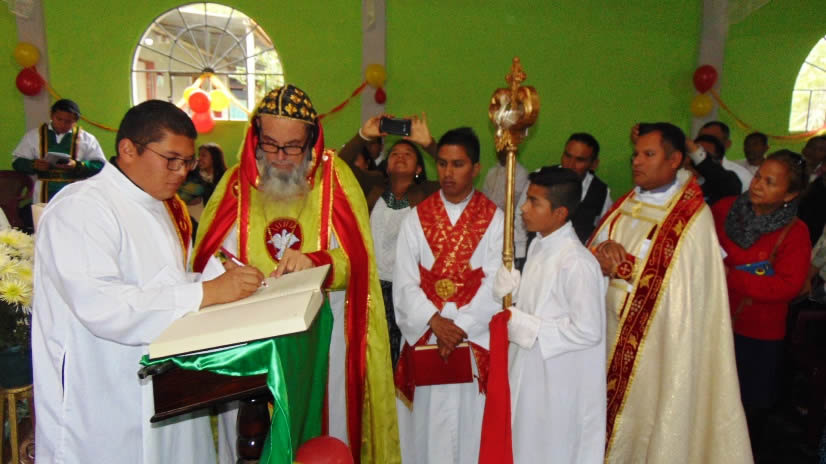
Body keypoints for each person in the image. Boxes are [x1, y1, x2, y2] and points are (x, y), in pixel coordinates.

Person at [31, 100, 264, 463]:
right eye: (171, 159)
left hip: (163, 382)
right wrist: (206, 292)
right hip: (101, 393)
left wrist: (222, 280)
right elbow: (103, 304)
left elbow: (160, 282)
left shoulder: (156, 204)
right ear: (128, 149)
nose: (181, 172)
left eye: (187, 162)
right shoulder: (82, 207)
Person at [192, 84, 399, 464]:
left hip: (321, 335)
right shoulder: (236, 184)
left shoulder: (335, 181)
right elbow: (207, 256)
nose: (280, 157)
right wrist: (227, 269)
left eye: (292, 147)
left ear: (312, 142)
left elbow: (358, 262)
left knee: (320, 430)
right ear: (256, 137)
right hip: (248, 335)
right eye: (270, 145)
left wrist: (316, 261)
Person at [589, 122, 752, 463]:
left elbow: (679, 290)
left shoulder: (692, 218)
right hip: (607, 338)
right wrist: (602, 251)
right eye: (636, 154)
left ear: (675, 159)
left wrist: (624, 268)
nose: (637, 161)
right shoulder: (628, 203)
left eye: (648, 154)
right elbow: (593, 250)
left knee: (649, 420)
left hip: (658, 348)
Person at [393, 127, 504, 464]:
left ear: (476, 168)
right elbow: (404, 281)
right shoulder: (416, 218)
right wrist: (435, 321)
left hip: (471, 339)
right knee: (426, 427)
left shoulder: (494, 219)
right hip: (428, 334)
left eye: (458, 164)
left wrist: (460, 327)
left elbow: (497, 282)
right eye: (442, 163)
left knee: (471, 424)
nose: (447, 173)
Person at [492, 166, 606, 463]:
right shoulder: (539, 246)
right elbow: (541, 305)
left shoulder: (577, 262)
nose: (523, 209)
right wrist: (513, 293)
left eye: (534, 202)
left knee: (548, 449)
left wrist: (527, 326)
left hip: (556, 383)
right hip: (529, 373)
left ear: (560, 213)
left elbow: (588, 330)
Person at [711, 150, 811, 453]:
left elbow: (787, 286)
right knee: (711, 399)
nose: (757, 185)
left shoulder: (795, 232)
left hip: (759, 334)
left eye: (770, 182)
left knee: (748, 410)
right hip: (715, 321)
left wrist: (731, 276)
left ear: (789, 194)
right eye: (758, 177)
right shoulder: (724, 209)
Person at [12, 98, 106, 203]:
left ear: (76, 120)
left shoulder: (86, 139)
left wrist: (76, 165)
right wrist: (34, 165)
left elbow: (100, 165)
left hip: (75, 191)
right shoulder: (34, 136)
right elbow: (17, 162)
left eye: (68, 121)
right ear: (51, 115)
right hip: (43, 191)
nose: (62, 124)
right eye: (59, 119)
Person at [482, 148, 529, 258]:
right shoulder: (492, 172)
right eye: (500, 149)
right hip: (488, 224)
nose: (501, 152)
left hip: (509, 228)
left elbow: (512, 203)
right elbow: (484, 197)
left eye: (505, 149)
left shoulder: (520, 173)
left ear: (514, 151)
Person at [698, 120, 753, 192]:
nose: (705, 144)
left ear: (727, 144)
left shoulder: (742, 176)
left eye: (713, 140)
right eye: (701, 138)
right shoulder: (688, 170)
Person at [798, 136, 826, 245]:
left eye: (821, 149)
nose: (815, 152)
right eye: (812, 147)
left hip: (813, 229)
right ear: (804, 149)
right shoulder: (792, 168)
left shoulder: (822, 178)